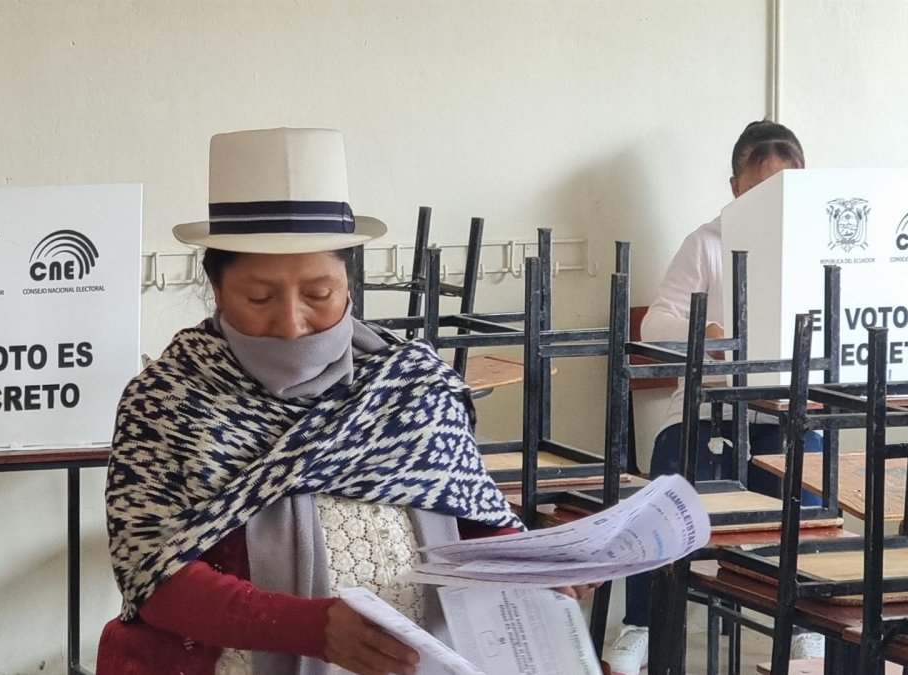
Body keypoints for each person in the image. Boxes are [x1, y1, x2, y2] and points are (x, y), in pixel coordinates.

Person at [96, 128, 595, 675]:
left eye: (318, 294)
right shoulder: (169, 401)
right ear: (216, 289)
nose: (290, 323)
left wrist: (532, 567)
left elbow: (475, 521)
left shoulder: (413, 387)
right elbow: (152, 574)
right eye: (258, 297)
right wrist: (309, 628)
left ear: (349, 283)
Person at [605, 120, 823, 674]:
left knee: (818, 479)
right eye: (760, 189)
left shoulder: (818, 243)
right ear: (735, 188)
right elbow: (655, 325)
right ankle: (642, 625)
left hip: (783, 415)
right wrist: (705, 335)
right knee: (667, 485)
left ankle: (809, 626)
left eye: (787, 188)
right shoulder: (706, 244)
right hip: (704, 416)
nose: (773, 202)